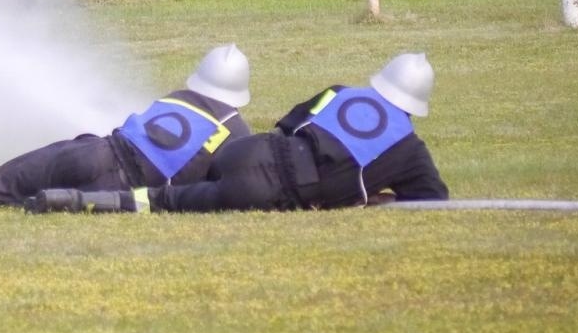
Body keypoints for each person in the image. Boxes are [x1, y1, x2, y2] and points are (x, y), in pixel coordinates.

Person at [0, 44, 254, 215]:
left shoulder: (179, 95)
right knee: (59, 202)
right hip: (119, 183)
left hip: (90, 149)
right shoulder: (236, 133)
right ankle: (53, 201)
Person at [29, 52, 447, 215]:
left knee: (181, 185)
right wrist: (372, 195)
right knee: (162, 202)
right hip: (259, 192)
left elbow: (287, 126)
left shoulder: (339, 93)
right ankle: (72, 202)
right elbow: (433, 201)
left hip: (246, 151)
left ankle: (72, 182)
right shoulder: (410, 150)